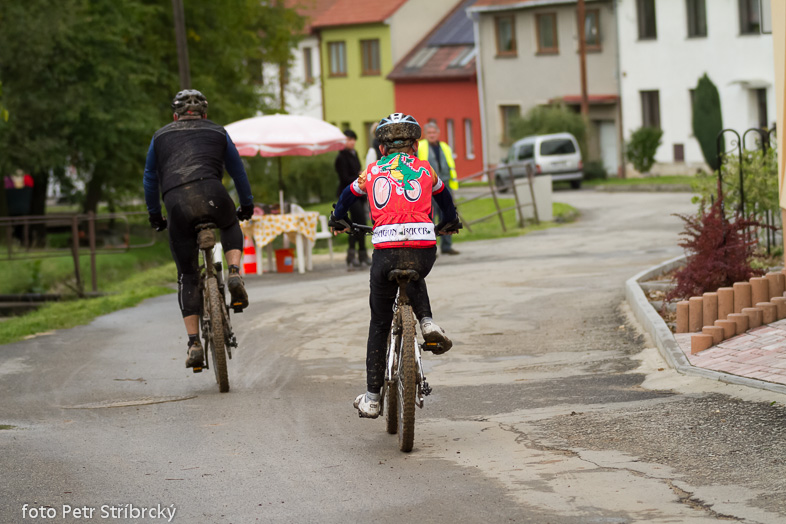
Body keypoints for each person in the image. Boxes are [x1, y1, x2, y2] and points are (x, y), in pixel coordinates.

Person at [329, 113, 462, 418]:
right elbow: (446, 199)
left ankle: (373, 398)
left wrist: (338, 218)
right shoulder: (426, 169)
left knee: (378, 324)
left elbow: (347, 196)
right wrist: (449, 222)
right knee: (413, 269)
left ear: (382, 145)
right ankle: (427, 321)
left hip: (385, 251)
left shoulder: (372, 172)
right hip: (423, 248)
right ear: (415, 144)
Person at [143, 89, 255, 372]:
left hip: (177, 203)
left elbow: (149, 179)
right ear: (205, 115)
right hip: (213, 194)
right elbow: (238, 171)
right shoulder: (218, 132)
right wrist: (247, 205)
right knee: (230, 222)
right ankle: (233, 273)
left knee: (188, 275)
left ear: (174, 116)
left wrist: (156, 216)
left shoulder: (159, 137)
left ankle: (193, 343)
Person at [417, 122, 460, 255]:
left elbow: (450, 165)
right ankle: (430, 247)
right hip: (428, 187)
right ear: (425, 134)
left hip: (445, 185)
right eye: (429, 133)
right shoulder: (421, 147)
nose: (432, 135)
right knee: (429, 217)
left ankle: (447, 246)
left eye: (434, 132)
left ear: (438, 133)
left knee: (447, 215)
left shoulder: (445, 147)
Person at [334, 129, 370, 270]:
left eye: (353, 139)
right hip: (349, 194)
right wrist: (359, 177)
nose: (352, 142)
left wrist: (359, 176)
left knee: (360, 223)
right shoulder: (341, 157)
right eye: (349, 139)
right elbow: (344, 178)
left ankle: (362, 254)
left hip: (359, 194)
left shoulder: (354, 155)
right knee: (354, 224)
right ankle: (352, 254)